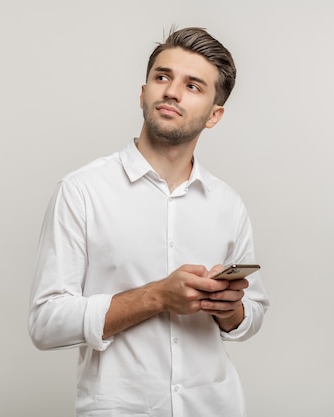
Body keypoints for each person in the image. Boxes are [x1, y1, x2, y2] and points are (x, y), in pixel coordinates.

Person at [28, 26, 270, 417]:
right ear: (143, 94)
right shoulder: (82, 191)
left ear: (214, 115)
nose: (172, 91)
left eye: (193, 86)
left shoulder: (228, 204)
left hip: (214, 407)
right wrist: (156, 296)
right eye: (162, 77)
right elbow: (45, 322)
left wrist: (232, 312)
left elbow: (252, 312)